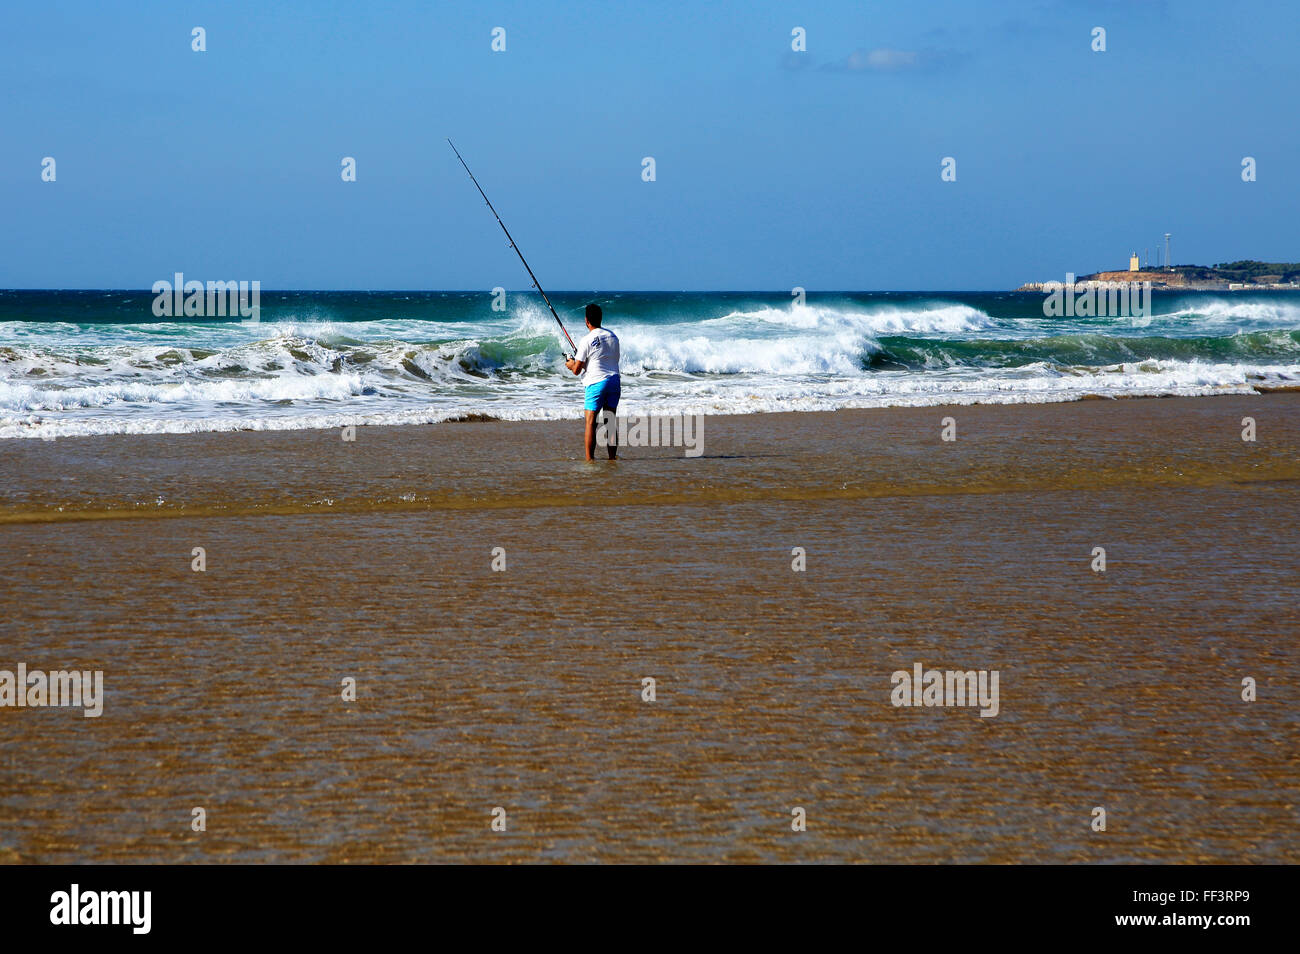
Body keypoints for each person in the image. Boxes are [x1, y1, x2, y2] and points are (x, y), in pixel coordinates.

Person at [565, 303, 620, 461]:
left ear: (586, 321)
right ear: (600, 318)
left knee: (591, 422)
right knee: (610, 421)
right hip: (614, 381)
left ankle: (590, 460)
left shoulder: (586, 340)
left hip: (596, 383)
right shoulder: (613, 337)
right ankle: (612, 458)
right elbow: (608, 359)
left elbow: (576, 370)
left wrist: (570, 363)